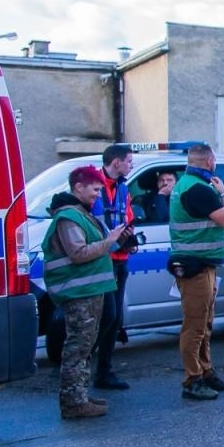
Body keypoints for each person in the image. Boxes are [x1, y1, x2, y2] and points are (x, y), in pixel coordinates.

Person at [41, 166, 125, 420]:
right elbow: (78, 253)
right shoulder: (69, 217)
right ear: (78, 187)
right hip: (79, 292)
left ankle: (79, 396)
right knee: (78, 346)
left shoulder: (79, 214)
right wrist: (109, 241)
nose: (99, 195)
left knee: (84, 345)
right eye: (95, 190)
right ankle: (73, 402)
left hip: (88, 289)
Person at [168, 143, 224, 401]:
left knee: (205, 324)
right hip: (194, 267)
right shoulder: (197, 188)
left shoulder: (188, 184)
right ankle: (192, 379)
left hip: (202, 264)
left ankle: (206, 371)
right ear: (209, 161)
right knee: (195, 326)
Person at [90, 144, 135, 388]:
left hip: (120, 259)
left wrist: (129, 238)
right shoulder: (93, 186)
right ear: (116, 162)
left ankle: (104, 371)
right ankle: (84, 365)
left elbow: (127, 217)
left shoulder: (123, 188)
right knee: (107, 316)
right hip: (100, 260)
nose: (131, 165)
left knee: (115, 318)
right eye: (129, 161)